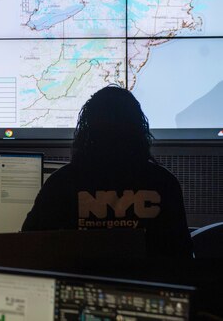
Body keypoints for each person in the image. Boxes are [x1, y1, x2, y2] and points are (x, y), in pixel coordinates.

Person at [22, 86, 193, 258]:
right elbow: (181, 256)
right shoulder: (163, 183)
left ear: (86, 130)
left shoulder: (61, 183)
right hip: (147, 284)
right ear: (139, 130)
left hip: (78, 283)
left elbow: (28, 246)